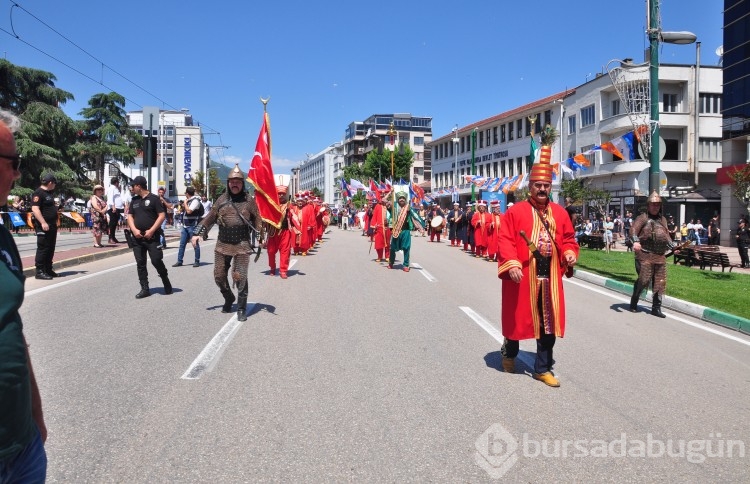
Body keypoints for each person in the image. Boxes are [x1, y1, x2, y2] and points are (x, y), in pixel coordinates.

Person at [497, 151, 578, 388]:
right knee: (516, 319)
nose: (542, 189)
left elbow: (570, 239)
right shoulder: (515, 211)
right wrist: (511, 264)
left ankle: (542, 368)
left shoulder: (561, 213)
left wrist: (570, 253)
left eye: (546, 185)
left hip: (550, 277)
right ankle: (509, 352)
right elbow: (505, 240)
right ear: (530, 187)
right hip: (522, 277)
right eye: (538, 185)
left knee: (548, 323)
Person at [0, 111, 48, 481]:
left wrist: (35, 410)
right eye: (13, 163)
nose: (18, 174)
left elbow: (11, 323)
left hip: (22, 443)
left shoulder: (2, 234)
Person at [192, 164, 261, 321]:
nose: (234, 184)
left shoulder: (249, 201)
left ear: (242, 183)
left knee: (240, 276)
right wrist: (197, 233)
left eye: (238, 181)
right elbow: (210, 217)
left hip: (242, 244)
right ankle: (229, 297)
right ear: (228, 183)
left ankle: (242, 307)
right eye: (232, 181)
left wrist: (261, 237)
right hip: (222, 244)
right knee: (219, 276)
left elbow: (258, 219)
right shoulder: (221, 199)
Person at [628, 192, 677, 318]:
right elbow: (633, 230)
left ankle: (656, 308)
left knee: (660, 282)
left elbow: (666, 235)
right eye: (653, 205)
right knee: (644, 280)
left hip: (659, 256)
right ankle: (634, 300)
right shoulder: (642, 218)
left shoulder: (663, 220)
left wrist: (673, 247)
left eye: (658, 205)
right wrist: (636, 241)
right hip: (644, 254)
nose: (655, 207)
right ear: (648, 205)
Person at [126, 176, 172, 299]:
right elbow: (130, 216)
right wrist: (134, 230)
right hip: (137, 237)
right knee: (140, 263)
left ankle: (165, 280)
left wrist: (152, 230)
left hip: (152, 236)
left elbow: (161, 216)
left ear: (139, 186)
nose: (132, 188)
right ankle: (144, 288)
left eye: (133, 186)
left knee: (156, 260)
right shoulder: (134, 200)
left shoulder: (154, 199)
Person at [266, 176, 296, 279]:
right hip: (272, 232)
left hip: (285, 232)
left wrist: (298, 228)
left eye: (283, 194)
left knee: (285, 251)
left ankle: (283, 271)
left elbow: (294, 217)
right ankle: (272, 268)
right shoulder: (271, 205)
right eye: (279, 193)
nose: (281, 195)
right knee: (270, 251)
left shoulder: (289, 205)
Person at [30, 172, 59, 280]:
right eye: (55, 183)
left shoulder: (49, 193)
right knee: (43, 248)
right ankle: (40, 271)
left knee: (51, 247)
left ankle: (48, 269)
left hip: (51, 225)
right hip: (44, 225)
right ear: (50, 182)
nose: (55, 185)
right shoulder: (38, 193)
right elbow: (35, 209)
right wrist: (43, 222)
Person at [387, 192, 425, 272]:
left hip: (406, 230)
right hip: (396, 230)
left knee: (407, 248)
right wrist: (390, 193)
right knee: (392, 248)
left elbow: (415, 218)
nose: (401, 200)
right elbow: (383, 201)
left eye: (403, 198)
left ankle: (406, 265)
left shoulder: (408, 208)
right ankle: (391, 263)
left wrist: (420, 228)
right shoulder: (393, 207)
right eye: (400, 198)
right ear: (397, 200)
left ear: (405, 200)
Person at [172, 186, 202, 268]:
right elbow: (183, 211)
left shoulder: (195, 201)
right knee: (182, 244)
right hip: (185, 226)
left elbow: (189, 211)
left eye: (185, 193)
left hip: (192, 225)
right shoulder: (188, 201)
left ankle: (197, 261)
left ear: (187, 193)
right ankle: (179, 261)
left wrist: (185, 203)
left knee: (195, 243)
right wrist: (182, 206)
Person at [371, 194, 391, 262]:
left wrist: (391, 192)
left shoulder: (388, 205)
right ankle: (379, 256)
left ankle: (387, 256)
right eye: (382, 197)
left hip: (387, 226)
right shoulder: (378, 206)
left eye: (384, 197)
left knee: (387, 243)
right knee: (379, 243)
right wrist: (374, 226)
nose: (383, 199)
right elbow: (374, 217)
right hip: (379, 227)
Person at [105, 177, 124, 244]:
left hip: (117, 208)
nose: (118, 184)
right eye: (118, 182)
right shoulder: (111, 188)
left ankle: (113, 237)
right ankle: (110, 238)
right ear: (116, 182)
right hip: (113, 208)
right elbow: (110, 198)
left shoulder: (116, 189)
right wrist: (113, 207)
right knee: (112, 224)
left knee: (115, 223)